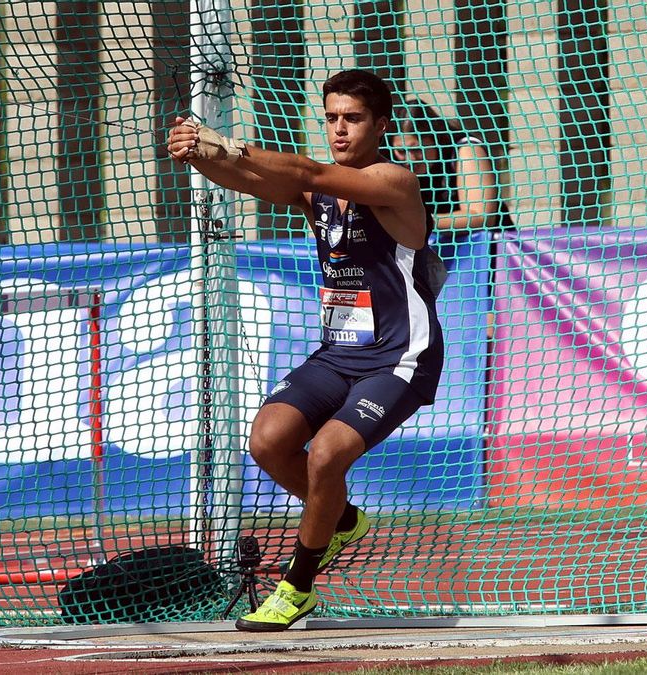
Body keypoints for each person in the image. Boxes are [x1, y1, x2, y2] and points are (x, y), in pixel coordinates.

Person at [166, 70, 444, 632]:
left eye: (354, 118)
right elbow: (247, 181)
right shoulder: (320, 193)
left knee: (326, 456)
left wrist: (227, 142)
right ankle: (341, 518)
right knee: (268, 442)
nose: (340, 129)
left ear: (381, 124)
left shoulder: (395, 181)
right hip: (338, 352)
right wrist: (196, 153)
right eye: (332, 118)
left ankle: (297, 587)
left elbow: (306, 169)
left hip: (399, 357)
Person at [393, 97, 513, 235]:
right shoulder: (392, 163)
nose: (409, 159)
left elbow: (482, 217)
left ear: (435, 139)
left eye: (416, 149)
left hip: (490, 250)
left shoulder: (465, 150)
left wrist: (421, 222)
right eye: (401, 151)